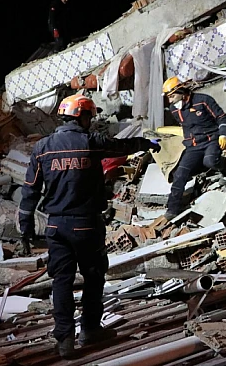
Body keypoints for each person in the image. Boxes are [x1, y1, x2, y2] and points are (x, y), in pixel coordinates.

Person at [18, 94, 160, 359]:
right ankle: (90, 330)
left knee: (62, 281)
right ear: (81, 117)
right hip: (86, 225)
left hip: (56, 227)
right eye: (89, 117)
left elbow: (29, 191)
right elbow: (121, 146)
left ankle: (65, 341)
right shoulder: (91, 143)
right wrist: (147, 142)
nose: (90, 122)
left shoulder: (43, 147)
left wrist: (25, 227)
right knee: (93, 278)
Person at [162, 76, 226, 220]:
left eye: (172, 96)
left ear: (182, 91)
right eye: (168, 97)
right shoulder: (174, 110)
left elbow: (221, 117)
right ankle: (172, 208)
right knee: (180, 174)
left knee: (210, 161)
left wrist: (223, 134)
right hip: (193, 146)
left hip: (211, 140)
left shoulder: (203, 100)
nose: (170, 101)